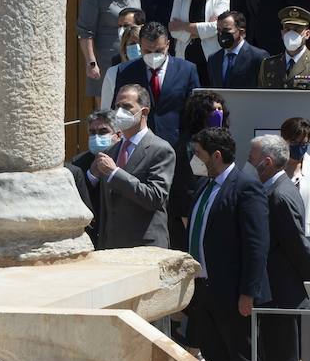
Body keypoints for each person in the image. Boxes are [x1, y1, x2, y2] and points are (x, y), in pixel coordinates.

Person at [182, 127, 269, 361]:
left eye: (199, 154)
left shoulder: (245, 187)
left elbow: (256, 244)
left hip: (233, 294)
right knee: (216, 359)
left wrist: (248, 293)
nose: (194, 159)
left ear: (216, 155)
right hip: (204, 290)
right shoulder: (203, 186)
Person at [250, 134, 310, 361]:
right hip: (273, 293)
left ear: (266, 162)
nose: (247, 164)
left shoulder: (279, 194)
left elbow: (296, 245)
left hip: (284, 295)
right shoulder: (273, 189)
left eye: (252, 159)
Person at [90, 84, 175, 250]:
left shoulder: (160, 149)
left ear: (144, 111)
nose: (120, 112)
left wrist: (115, 172)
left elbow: (155, 197)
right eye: (117, 107)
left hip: (146, 247)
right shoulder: (111, 151)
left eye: (127, 106)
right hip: (113, 247)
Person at [112, 21, 197, 145]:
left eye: (159, 50)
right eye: (148, 51)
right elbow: (118, 108)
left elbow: (194, 112)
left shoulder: (187, 70)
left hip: (177, 144)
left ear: (168, 45)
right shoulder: (126, 71)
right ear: (140, 46)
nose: (153, 56)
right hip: (137, 144)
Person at [77, 0, 141, 97]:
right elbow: (85, 32)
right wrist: (91, 63)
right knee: (107, 109)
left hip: (134, 57)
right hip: (106, 61)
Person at [170, 91, 228, 253]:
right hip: (192, 222)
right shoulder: (190, 146)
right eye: (212, 110)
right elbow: (185, 188)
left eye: (220, 108)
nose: (217, 113)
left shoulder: (221, 143)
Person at [280, 117, 310, 276]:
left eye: (304, 144)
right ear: (284, 141)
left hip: (306, 245)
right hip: (276, 248)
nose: (299, 148)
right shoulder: (272, 165)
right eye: (294, 143)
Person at [168, 0, 230, 85]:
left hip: (211, 56)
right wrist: (202, 30)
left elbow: (217, 27)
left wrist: (183, 26)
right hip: (186, 54)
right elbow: (173, 30)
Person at [67, 110, 117, 244]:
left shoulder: (125, 158)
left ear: (117, 135)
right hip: (92, 235)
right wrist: (92, 176)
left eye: (103, 131)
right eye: (92, 132)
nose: (97, 136)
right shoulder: (78, 163)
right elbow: (75, 199)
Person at [258, 6, 310, 91]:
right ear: (282, 33)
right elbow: (263, 99)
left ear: (307, 34)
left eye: (297, 29)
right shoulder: (268, 65)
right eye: (287, 29)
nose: (291, 33)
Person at [207, 11, 267, 88]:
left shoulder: (258, 57)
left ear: (241, 32)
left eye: (226, 30)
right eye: (219, 30)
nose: (221, 34)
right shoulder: (213, 59)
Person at [99, 18, 145, 109]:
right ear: (124, 48)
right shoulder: (113, 72)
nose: (137, 48)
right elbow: (105, 107)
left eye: (140, 44)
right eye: (132, 44)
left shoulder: (152, 72)